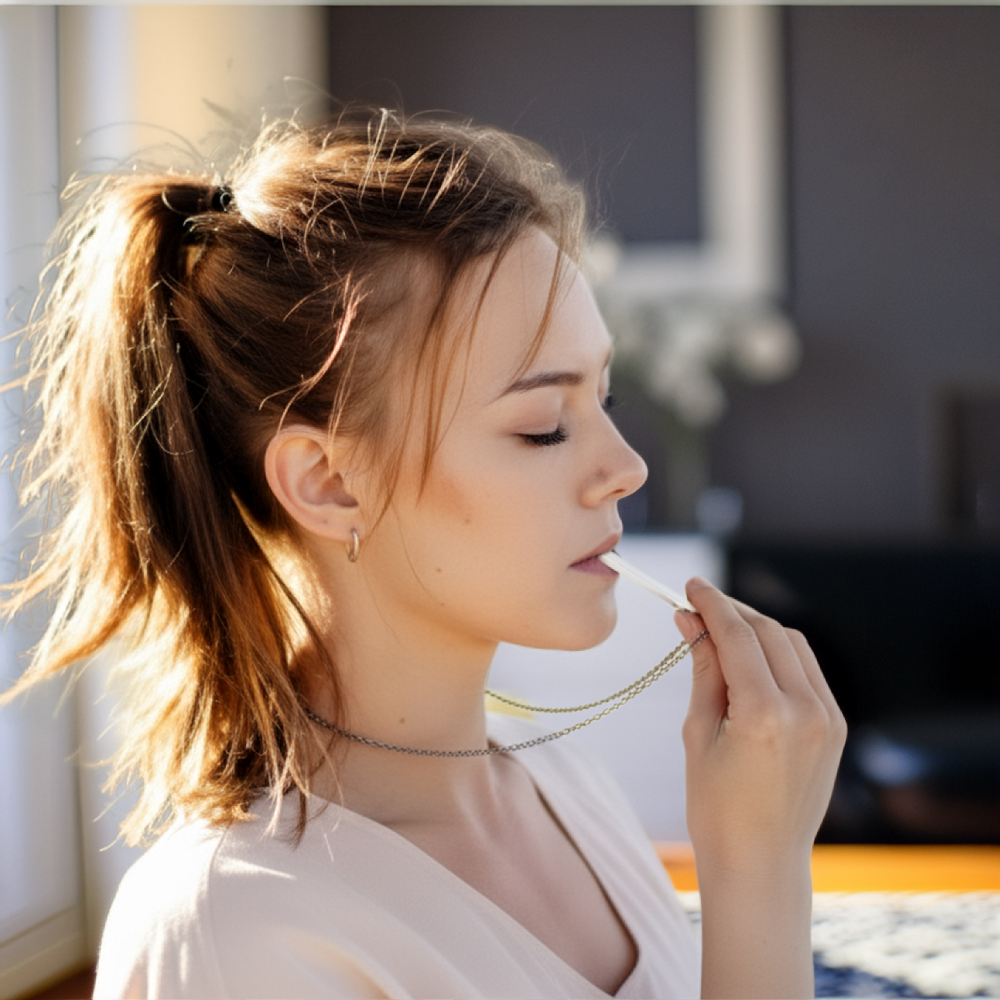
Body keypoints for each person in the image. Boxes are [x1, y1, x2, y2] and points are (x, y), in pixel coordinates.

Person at [1, 108, 845, 999]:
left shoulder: (569, 793)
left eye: (607, 400)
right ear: (328, 482)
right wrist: (760, 875)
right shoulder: (235, 931)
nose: (626, 470)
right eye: (544, 427)